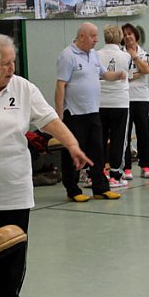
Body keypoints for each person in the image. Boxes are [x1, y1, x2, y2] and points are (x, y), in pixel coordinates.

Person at [0, 33, 90, 297]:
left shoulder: (23, 89)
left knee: (14, 248)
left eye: (12, 62)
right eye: (3, 63)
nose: (9, 69)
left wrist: (72, 145)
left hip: (15, 181)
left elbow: (50, 120)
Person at [55, 22, 128, 202]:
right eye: (93, 36)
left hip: (93, 111)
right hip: (73, 113)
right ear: (82, 37)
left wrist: (118, 74)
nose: (97, 40)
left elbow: (104, 75)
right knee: (73, 151)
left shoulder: (93, 55)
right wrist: (59, 115)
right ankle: (72, 189)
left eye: (97, 36)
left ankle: (100, 188)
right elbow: (60, 86)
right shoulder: (67, 56)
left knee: (97, 151)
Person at [96, 25, 133, 188]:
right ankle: (115, 174)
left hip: (100, 102)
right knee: (119, 139)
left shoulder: (95, 55)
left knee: (101, 138)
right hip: (119, 102)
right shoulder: (126, 56)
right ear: (120, 38)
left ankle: (101, 171)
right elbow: (130, 76)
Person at [122, 23, 149, 179]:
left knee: (143, 133)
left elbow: (147, 70)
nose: (128, 36)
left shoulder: (144, 54)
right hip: (125, 99)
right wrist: (136, 73)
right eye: (125, 34)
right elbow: (124, 75)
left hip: (141, 98)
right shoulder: (120, 54)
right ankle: (126, 168)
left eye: (130, 33)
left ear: (135, 35)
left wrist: (135, 58)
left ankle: (146, 166)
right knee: (125, 135)